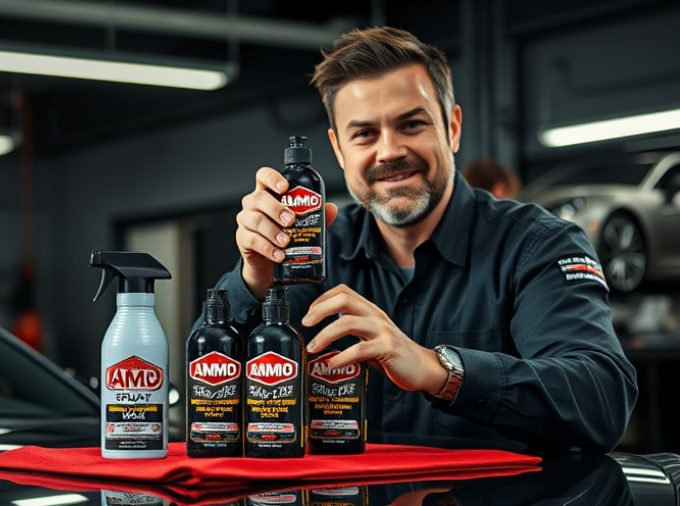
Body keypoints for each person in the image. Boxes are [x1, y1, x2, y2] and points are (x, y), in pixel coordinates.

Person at [195, 26, 637, 453]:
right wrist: (254, 278)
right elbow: (209, 386)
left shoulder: (538, 246)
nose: (388, 151)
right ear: (338, 150)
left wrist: (438, 370)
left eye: (411, 125)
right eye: (365, 134)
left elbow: (601, 400)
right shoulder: (310, 254)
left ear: (453, 128)